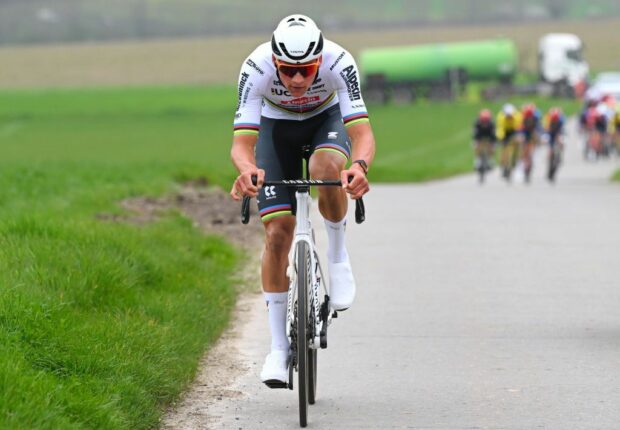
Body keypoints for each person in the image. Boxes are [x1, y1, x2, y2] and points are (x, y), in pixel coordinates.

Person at [229, 14, 376, 386]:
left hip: (324, 119)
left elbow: (362, 134)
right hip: (275, 129)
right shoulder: (255, 66)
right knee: (278, 233)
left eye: (307, 71)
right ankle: (278, 349)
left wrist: (358, 167)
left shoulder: (339, 63)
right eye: (288, 71)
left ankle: (338, 256)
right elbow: (242, 145)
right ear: (275, 61)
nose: (296, 80)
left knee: (325, 167)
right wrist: (247, 170)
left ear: (320, 60)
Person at [495, 103, 523, 180]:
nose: (509, 117)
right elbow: (500, 129)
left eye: (510, 115)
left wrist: (518, 137)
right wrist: (501, 137)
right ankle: (503, 166)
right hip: (505, 131)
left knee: (518, 143)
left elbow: (519, 128)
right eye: (507, 116)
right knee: (504, 149)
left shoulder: (518, 116)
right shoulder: (500, 117)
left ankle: (515, 160)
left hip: (514, 130)